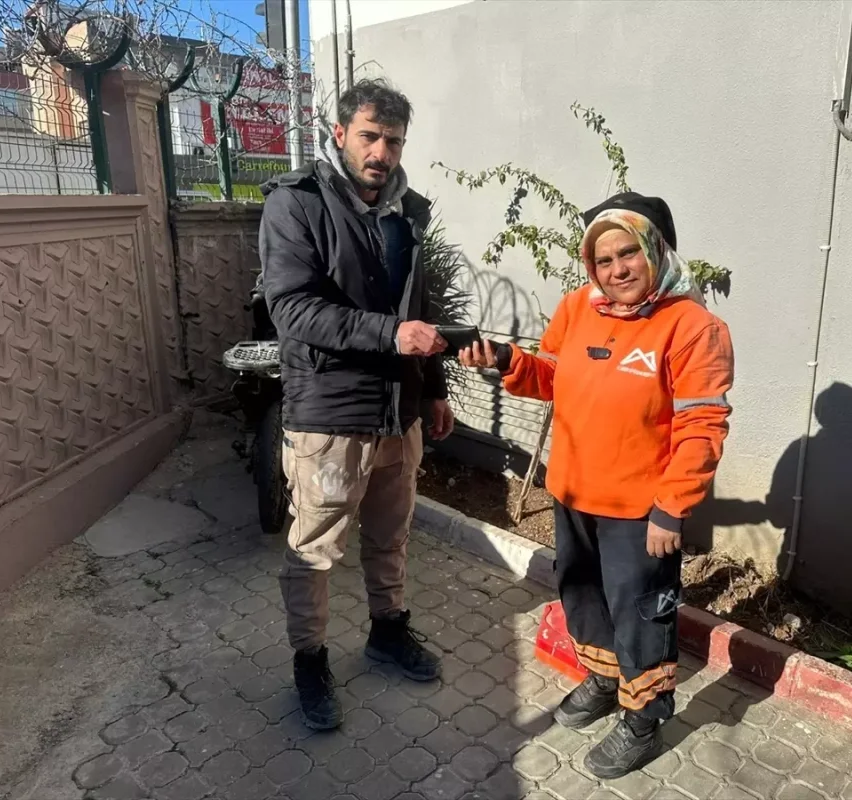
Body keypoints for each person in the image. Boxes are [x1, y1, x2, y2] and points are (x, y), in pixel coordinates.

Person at [459, 192, 734, 778]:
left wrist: (671, 508)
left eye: (628, 253)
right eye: (603, 260)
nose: (616, 270)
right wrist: (506, 359)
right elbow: (552, 377)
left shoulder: (692, 327)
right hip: (573, 492)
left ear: (657, 250)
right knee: (582, 594)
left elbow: (701, 424)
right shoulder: (578, 307)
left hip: (641, 510)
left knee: (641, 613)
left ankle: (644, 720)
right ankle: (605, 680)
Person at [259, 78, 454, 731]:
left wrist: (435, 390)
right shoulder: (298, 205)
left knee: (391, 535)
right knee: (315, 547)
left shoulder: (409, 212)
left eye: (393, 140)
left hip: (399, 410)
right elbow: (293, 310)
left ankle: (387, 630)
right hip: (330, 412)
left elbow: (419, 310)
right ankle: (309, 660)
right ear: (340, 134)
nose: (381, 151)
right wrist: (391, 336)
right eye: (369, 136)